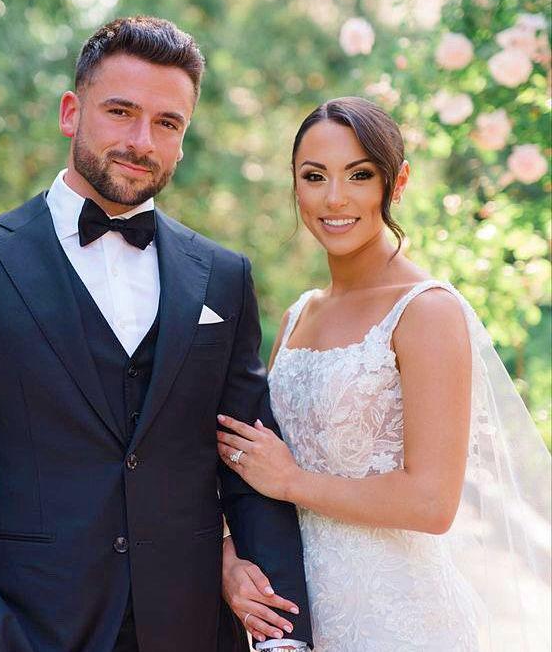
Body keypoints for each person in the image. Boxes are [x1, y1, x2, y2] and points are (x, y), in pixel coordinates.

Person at [0, 17, 314, 652]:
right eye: (121, 111)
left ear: (183, 140)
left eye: (167, 123)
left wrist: (282, 639)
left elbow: (249, 461)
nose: (141, 141)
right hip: (27, 626)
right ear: (71, 113)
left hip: (192, 627)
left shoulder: (223, 276)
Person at [218, 97, 551, 650]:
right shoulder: (299, 315)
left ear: (397, 183)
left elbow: (432, 503)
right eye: (314, 176)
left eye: (359, 175)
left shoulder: (426, 311)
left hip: (401, 621)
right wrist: (230, 557)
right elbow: (255, 465)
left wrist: (293, 482)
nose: (334, 198)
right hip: (301, 618)